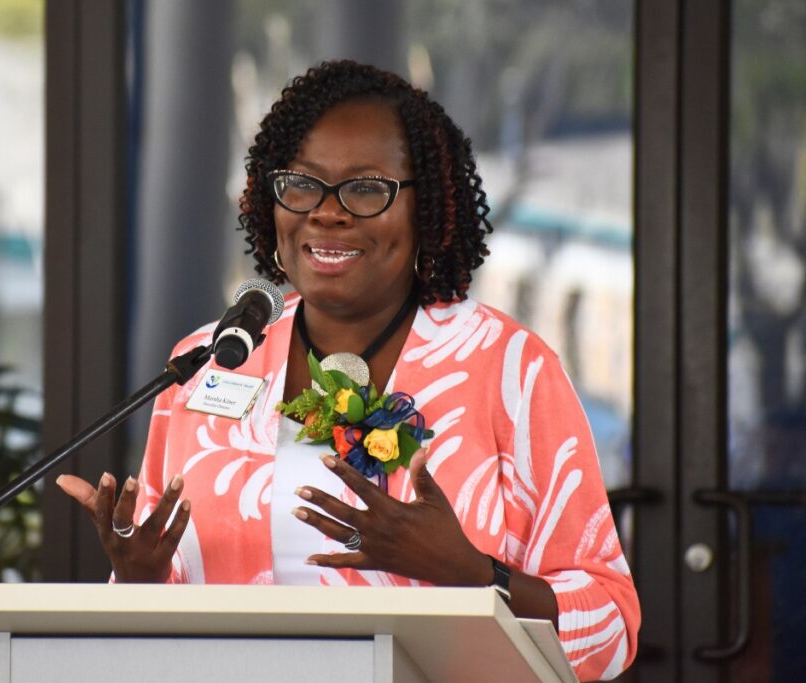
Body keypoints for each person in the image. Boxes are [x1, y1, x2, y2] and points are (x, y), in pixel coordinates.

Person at [57, 59, 640, 680]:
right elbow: (153, 624)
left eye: (366, 188)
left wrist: (473, 575)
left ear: (425, 208)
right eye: (302, 184)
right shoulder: (211, 359)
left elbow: (609, 622)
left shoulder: (506, 367)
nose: (327, 212)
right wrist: (138, 582)